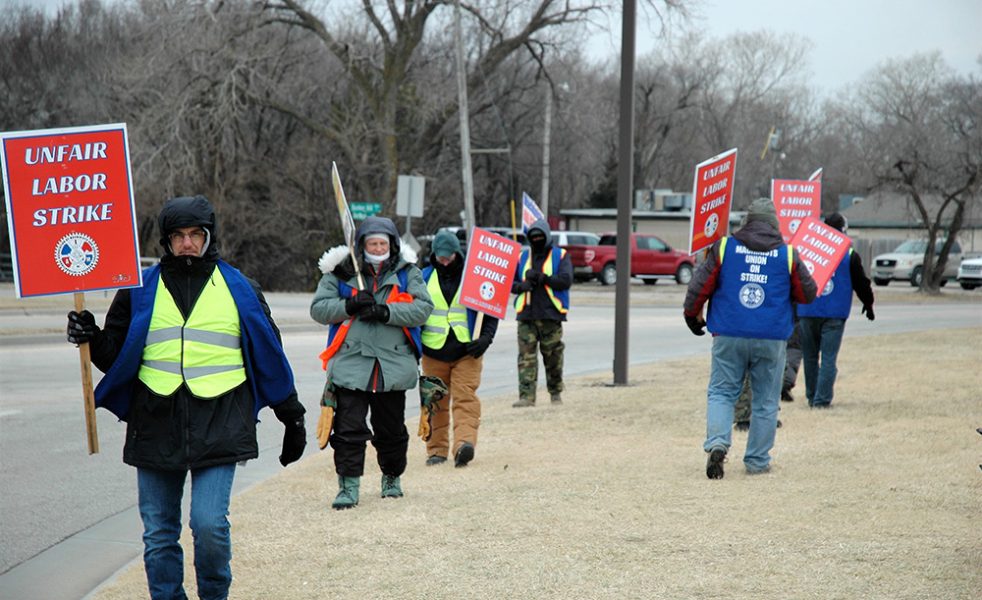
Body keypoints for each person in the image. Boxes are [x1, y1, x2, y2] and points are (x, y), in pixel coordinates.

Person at [65, 195, 306, 600]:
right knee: (159, 533)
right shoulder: (139, 290)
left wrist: (292, 416)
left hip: (221, 422)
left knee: (209, 525)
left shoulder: (240, 288)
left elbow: (269, 353)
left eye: (196, 234)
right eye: (179, 236)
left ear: (209, 237)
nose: (188, 243)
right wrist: (91, 336)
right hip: (155, 422)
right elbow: (117, 354)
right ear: (166, 240)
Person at [683, 198, 817, 479]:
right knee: (766, 401)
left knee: (721, 392)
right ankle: (757, 461)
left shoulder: (724, 248)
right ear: (774, 224)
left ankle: (718, 443)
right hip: (771, 337)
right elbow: (808, 294)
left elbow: (699, 287)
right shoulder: (788, 255)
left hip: (729, 334)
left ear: (747, 222)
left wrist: (692, 316)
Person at [310, 216, 433, 509]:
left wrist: (386, 312)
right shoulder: (340, 273)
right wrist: (349, 306)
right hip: (351, 364)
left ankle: (392, 478)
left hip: (392, 365)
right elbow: (319, 309)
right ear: (361, 245)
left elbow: (423, 309)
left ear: (392, 244)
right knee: (348, 429)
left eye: (382, 243)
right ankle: (348, 487)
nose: (377, 248)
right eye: (371, 243)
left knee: (390, 430)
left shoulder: (407, 273)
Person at [419, 230, 498, 467]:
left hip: (468, 351)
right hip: (433, 352)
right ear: (434, 255)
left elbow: (491, 308)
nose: (444, 261)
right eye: (440, 256)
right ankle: (436, 451)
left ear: (458, 254)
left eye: (449, 256)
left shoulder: (474, 276)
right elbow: (413, 314)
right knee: (434, 402)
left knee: (466, 399)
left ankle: (464, 445)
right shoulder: (422, 277)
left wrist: (486, 339)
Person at [798, 212, 875, 409]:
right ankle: (821, 401)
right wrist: (868, 303)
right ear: (842, 230)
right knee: (829, 359)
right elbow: (862, 283)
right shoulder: (849, 255)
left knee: (810, 357)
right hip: (835, 313)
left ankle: (811, 395)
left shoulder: (807, 250)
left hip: (807, 310)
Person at [510, 219, 573, 408]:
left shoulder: (560, 256)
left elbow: (565, 280)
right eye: (533, 237)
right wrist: (522, 286)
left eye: (540, 237)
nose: (536, 240)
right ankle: (526, 397)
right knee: (526, 358)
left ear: (546, 237)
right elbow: (509, 284)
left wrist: (543, 278)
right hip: (526, 315)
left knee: (553, 356)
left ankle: (555, 393)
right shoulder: (522, 258)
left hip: (550, 315)